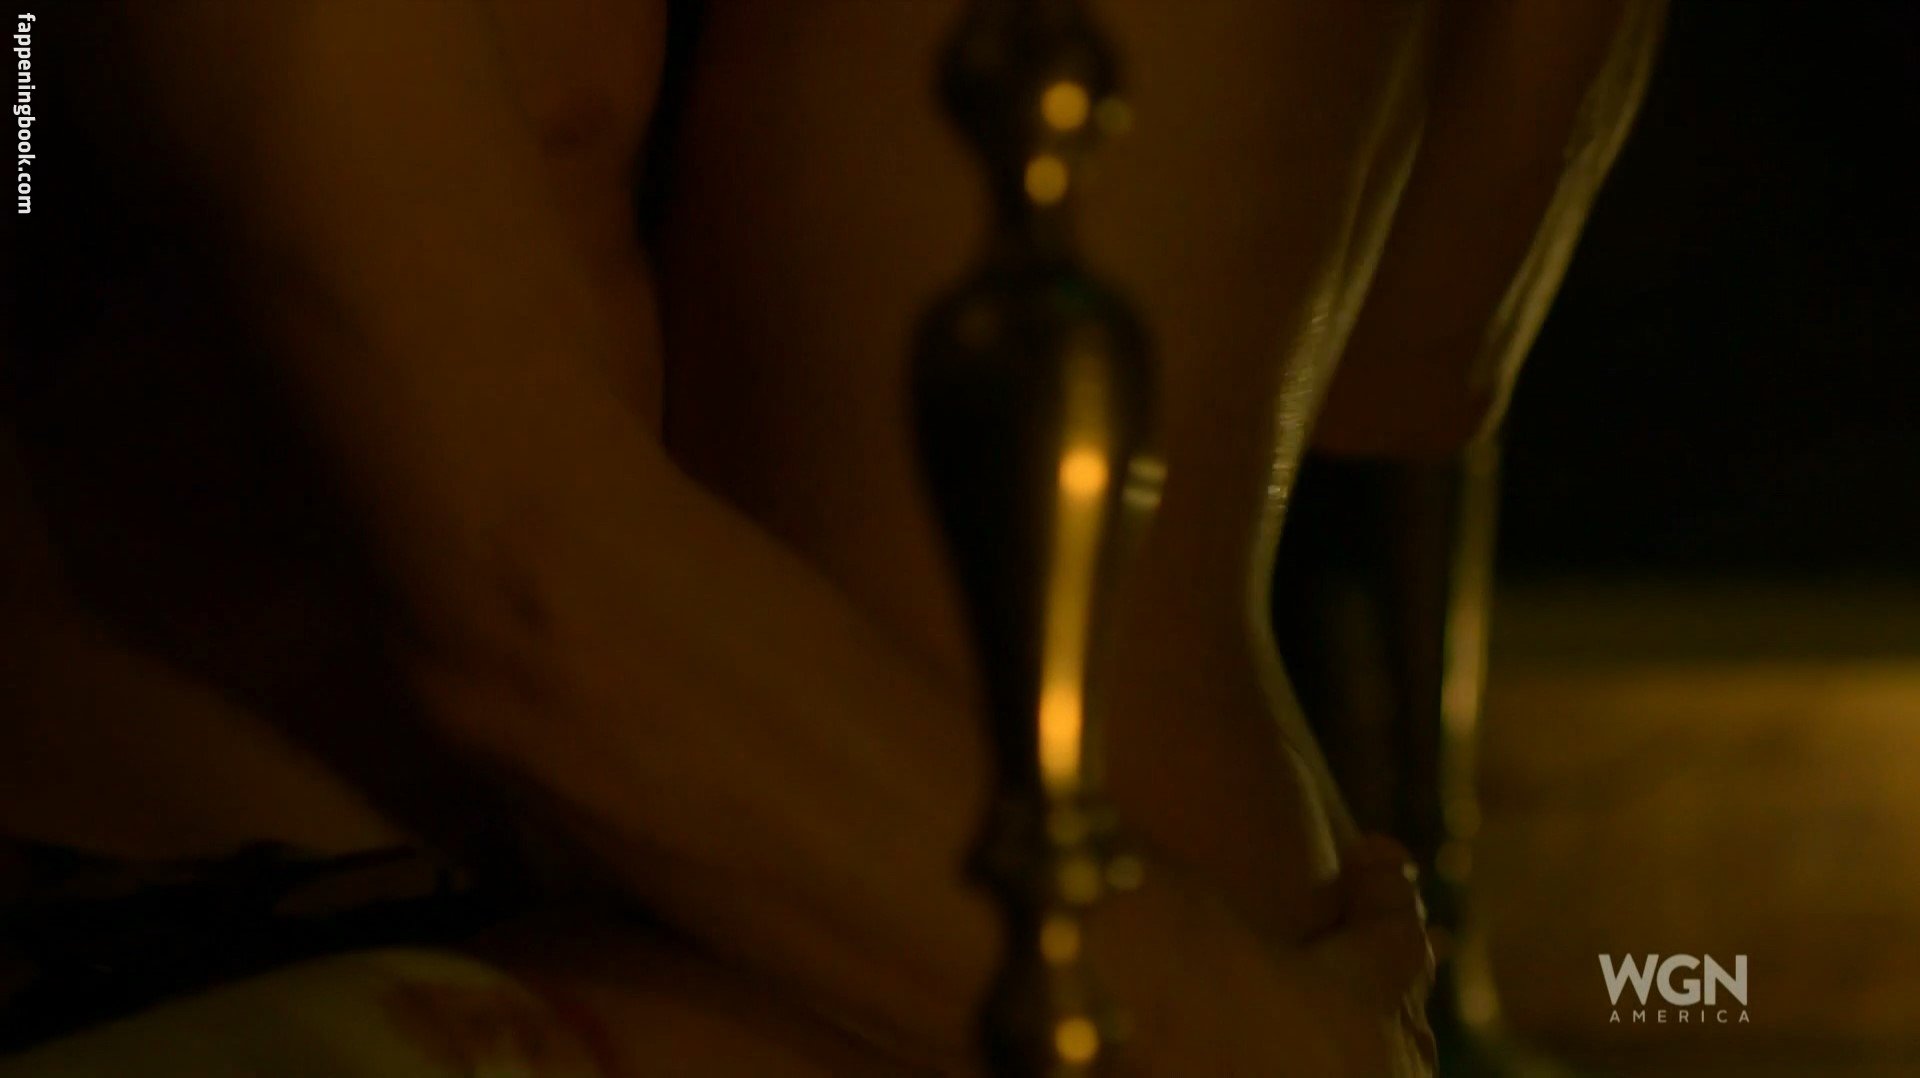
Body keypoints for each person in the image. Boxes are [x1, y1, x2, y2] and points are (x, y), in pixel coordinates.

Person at [0, 1, 1660, 1073]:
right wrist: (1249, 1038)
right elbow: (527, 605)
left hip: (727, 904)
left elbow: (1407, 371)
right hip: (176, 938)